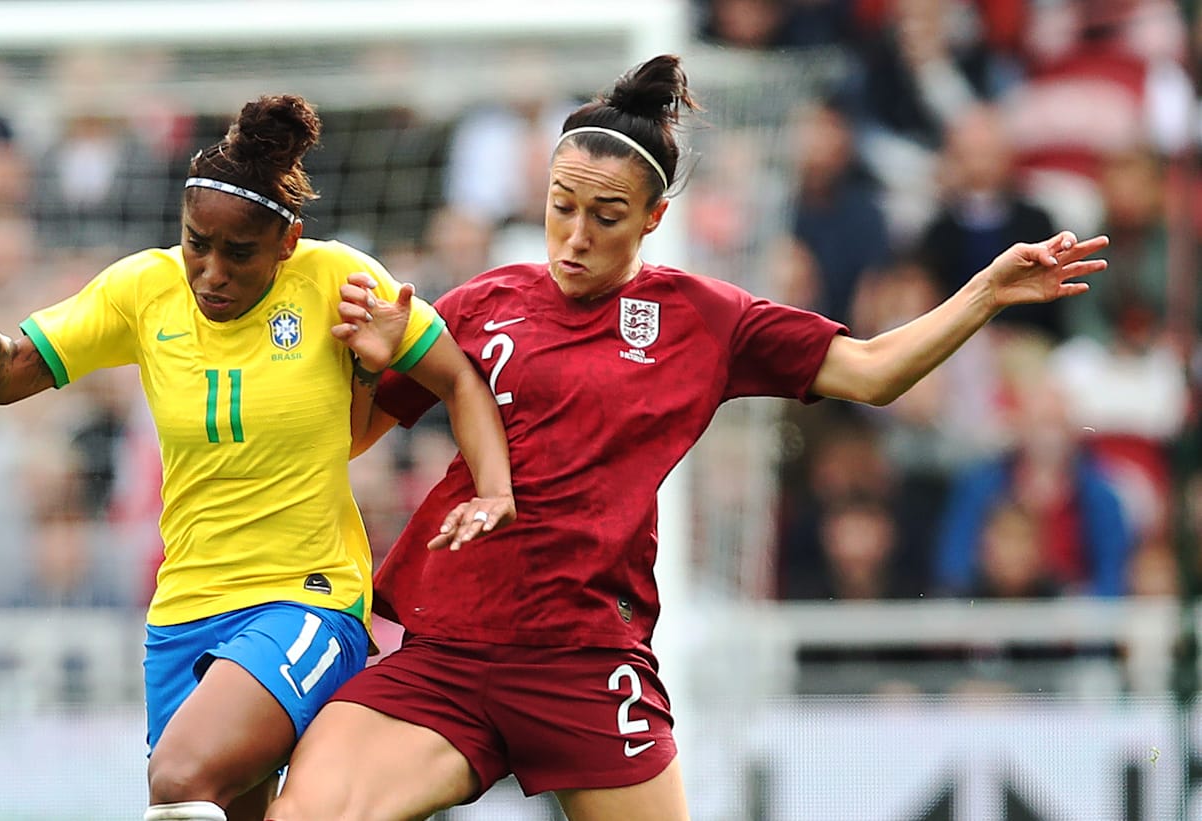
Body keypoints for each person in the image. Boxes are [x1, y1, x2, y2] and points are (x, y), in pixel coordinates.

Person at [264, 54, 1108, 821]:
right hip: (452, 647)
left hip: (586, 661)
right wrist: (364, 366)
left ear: (656, 215)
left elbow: (874, 371)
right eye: (562, 207)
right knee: (307, 813)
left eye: (606, 215)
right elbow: (353, 438)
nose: (577, 236)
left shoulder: (706, 318)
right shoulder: (486, 300)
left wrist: (986, 293)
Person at [0, 94, 515, 821]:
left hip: (307, 599)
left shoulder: (338, 281)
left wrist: (493, 490)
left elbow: (456, 377)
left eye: (239, 253)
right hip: (182, 612)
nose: (211, 272)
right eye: (198, 241)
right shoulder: (144, 289)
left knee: (178, 777)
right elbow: (5, 377)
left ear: (287, 241)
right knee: (221, 805)